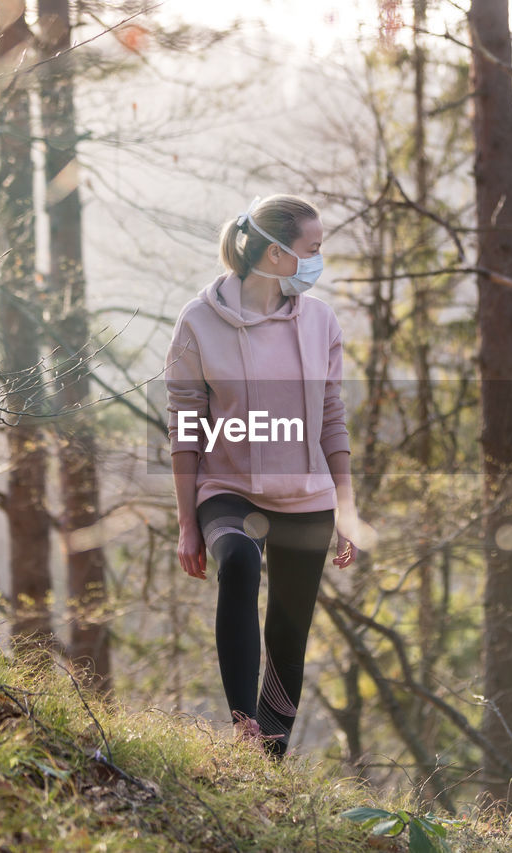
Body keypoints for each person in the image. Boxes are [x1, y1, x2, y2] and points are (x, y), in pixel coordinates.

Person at [166, 194, 359, 758]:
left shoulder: (321, 320)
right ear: (276, 255)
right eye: (313, 249)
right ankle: (243, 725)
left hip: (307, 498)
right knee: (242, 564)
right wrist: (186, 523)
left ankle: (268, 761)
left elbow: (332, 421)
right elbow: (184, 429)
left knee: (288, 636)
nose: (319, 260)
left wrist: (346, 510)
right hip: (225, 490)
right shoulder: (199, 321)